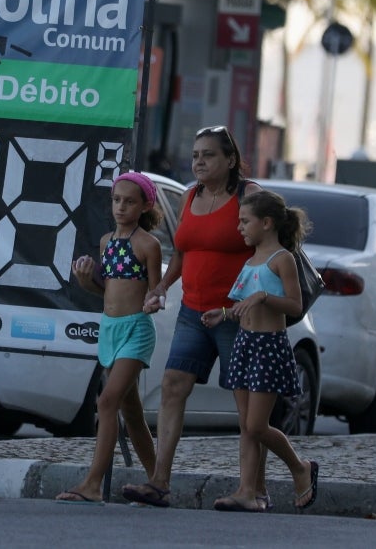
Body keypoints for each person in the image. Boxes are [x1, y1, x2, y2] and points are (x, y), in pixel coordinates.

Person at [122, 125, 264, 509]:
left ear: (230, 160)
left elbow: (270, 249)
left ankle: (253, 491)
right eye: (195, 155)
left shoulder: (249, 195)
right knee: (172, 385)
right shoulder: (190, 196)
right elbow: (184, 254)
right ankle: (159, 483)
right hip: (193, 311)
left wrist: (250, 302)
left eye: (209, 155)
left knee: (247, 405)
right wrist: (161, 286)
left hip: (237, 315)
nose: (199, 162)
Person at [201, 189, 319, 511]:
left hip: (268, 346)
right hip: (245, 343)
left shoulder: (282, 259)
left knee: (256, 425)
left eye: (245, 221)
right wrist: (223, 314)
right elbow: (244, 304)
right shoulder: (250, 260)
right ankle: (249, 491)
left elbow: (294, 305)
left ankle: (300, 468)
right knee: (246, 426)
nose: (239, 227)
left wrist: (264, 297)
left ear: (266, 223)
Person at [56, 171, 163, 504]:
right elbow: (105, 291)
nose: (121, 207)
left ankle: (92, 484)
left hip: (136, 330)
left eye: (129, 202)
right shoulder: (106, 242)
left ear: (145, 206)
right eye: (116, 200)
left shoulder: (148, 245)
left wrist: (155, 299)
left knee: (106, 402)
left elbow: (155, 291)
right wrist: (85, 279)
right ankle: (158, 482)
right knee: (132, 414)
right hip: (110, 329)